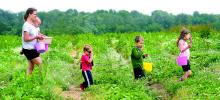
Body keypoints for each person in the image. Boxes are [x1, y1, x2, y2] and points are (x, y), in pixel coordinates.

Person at [21, 8, 44, 75]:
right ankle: (41, 81)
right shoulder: (26, 25)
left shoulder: (32, 25)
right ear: (29, 14)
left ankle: (28, 82)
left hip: (33, 48)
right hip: (29, 49)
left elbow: (35, 35)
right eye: (35, 14)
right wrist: (36, 37)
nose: (36, 16)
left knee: (31, 67)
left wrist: (40, 36)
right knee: (41, 64)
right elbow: (26, 38)